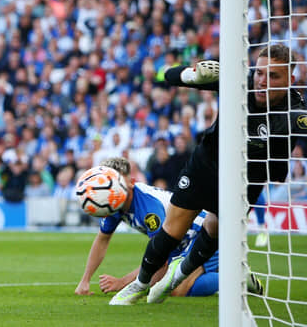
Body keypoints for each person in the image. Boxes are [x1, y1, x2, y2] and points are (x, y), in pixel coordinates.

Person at [111, 44, 307, 305]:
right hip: (207, 163)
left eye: (273, 76)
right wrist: (193, 75)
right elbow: (167, 75)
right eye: (260, 72)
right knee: (173, 229)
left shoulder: (295, 113)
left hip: (247, 179)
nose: (262, 81)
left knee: (213, 231)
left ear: (290, 80)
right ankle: (140, 284)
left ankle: (176, 277)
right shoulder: (237, 80)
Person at [75, 157, 263, 298]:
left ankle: (237, 278)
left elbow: (161, 261)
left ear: (131, 181)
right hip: (181, 242)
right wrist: (85, 280)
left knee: (176, 290)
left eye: (118, 181)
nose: (113, 188)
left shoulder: (150, 210)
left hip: (205, 236)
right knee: (174, 286)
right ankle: (228, 273)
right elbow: (102, 238)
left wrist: (123, 283)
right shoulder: (114, 203)